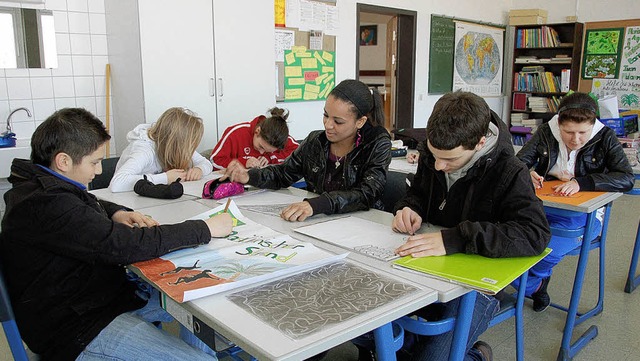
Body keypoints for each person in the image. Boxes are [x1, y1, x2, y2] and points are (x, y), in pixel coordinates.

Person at [0, 108, 233, 361]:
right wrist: (204, 228)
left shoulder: (41, 185)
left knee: (199, 307)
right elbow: (123, 245)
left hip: (100, 300)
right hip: (78, 329)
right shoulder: (47, 204)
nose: (99, 171)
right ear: (64, 161)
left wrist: (115, 212)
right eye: (94, 162)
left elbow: (85, 201)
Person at [391, 91, 551, 361]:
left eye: (450, 160)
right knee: (371, 332)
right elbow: (418, 192)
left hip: (476, 285)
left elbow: (535, 233)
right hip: (425, 269)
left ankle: (477, 357)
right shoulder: (437, 152)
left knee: (428, 358)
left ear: (479, 143)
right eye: (433, 155)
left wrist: (455, 239)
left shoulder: (510, 171)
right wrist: (409, 208)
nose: (439, 166)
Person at [515, 92, 634, 312]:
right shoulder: (546, 132)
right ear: (558, 124)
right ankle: (534, 285)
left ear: (593, 126)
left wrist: (584, 182)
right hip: (544, 207)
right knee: (509, 245)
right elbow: (517, 163)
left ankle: (533, 283)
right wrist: (526, 172)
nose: (575, 139)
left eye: (582, 133)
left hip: (585, 215)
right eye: (568, 132)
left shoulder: (605, 136)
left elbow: (626, 178)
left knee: (545, 249)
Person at [223, 79, 392, 222]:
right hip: (319, 220)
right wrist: (248, 175)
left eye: (338, 121)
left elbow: (367, 193)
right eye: (326, 115)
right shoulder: (315, 141)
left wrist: (316, 205)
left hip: (363, 222)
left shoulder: (377, 144)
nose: (328, 125)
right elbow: (283, 173)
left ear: (360, 122)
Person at [109, 107, 213, 192]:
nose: (190, 150)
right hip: (129, 201)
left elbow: (205, 163)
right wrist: (165, 178)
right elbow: (117, 183)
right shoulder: (144, 151)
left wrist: (199, 169)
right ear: (176, 143)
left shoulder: (176, 146)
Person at [210, 107, 299, 170]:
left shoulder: (279, 136)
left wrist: (270, 157)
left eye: (267, 151)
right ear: (257, 131)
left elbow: (299, 154)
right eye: (261, 146)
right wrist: (243, 162)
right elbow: (215, 162)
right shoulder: (236, 133)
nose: (261, 153)